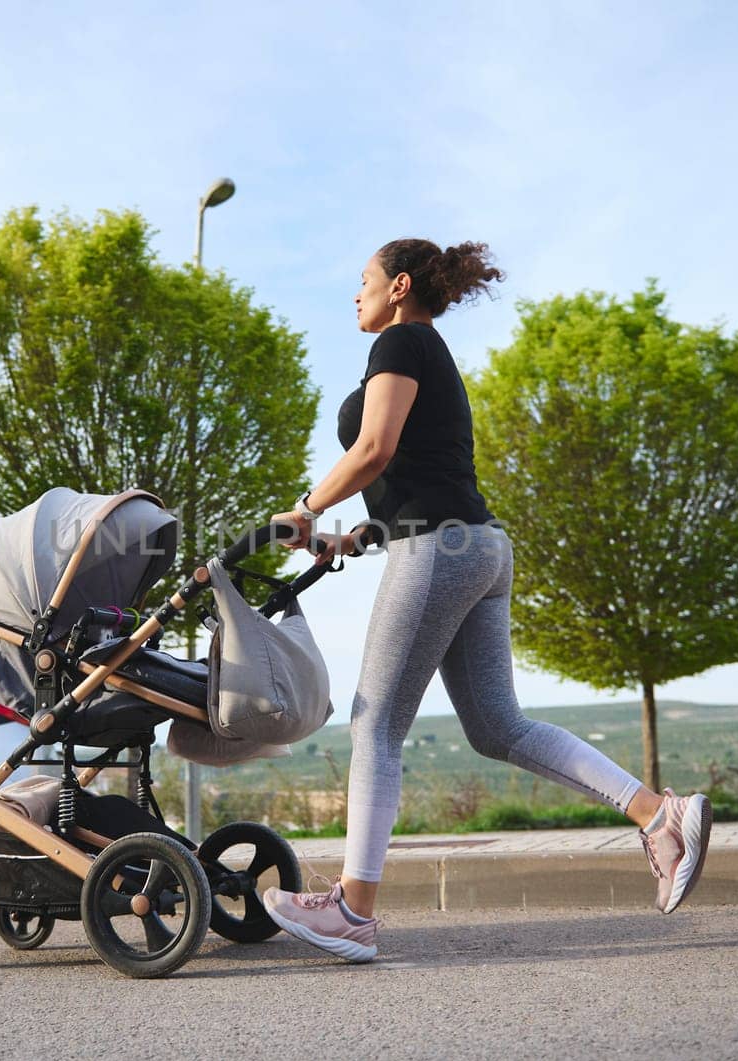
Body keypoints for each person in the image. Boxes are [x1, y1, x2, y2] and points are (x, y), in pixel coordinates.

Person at [261, 239, 711, 963]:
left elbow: (374, 448)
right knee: (498, 726)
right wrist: (357, 535)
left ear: (399, 285)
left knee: (374, 727)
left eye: (364, 281)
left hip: (441, 548)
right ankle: (661, 814)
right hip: (474, 545)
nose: (356, 294)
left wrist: (305, 508)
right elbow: (418, 469)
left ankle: (353, 908)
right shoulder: (427, 351)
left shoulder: (402, 340)